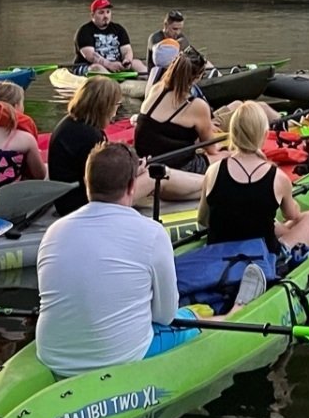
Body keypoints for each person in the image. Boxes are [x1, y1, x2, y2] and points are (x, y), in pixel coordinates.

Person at [35, 143, 194, 375]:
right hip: (121, 356)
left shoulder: (54, 231)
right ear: (132, 186)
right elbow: (166, 315)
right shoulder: (152, 233)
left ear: (87, 183)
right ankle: (231, 314)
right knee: (193, 316)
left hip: (52, 355)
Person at [201, 101, 309, 258]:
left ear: (232, 134)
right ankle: (281, 258)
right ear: (265, 135)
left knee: (273, 224)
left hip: (219, 250)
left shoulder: (213, 171)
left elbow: (204, 219)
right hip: (263, 254)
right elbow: (292, 215)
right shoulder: (278, 178)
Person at [131, 51, 216, 201]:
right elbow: (211, 148)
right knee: (225, 157)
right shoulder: (197, 106)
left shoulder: (156, 89)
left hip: (148, 158)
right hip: (174, 167)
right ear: (197, 77)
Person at [49, 76, 124, 216]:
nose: (116, 111)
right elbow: (104, 182)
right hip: (81, 204)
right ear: (105, 107)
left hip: (66, 198)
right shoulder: (90, 136)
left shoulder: (70, 124)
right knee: (152, 179)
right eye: (116, 105)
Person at [74, 0, 138, 74]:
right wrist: (109, 65)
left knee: (136, 63)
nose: (106, 16)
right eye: (101, 13)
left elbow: (127, 50)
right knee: (97, 68)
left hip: (116, 65)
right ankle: (110, 83)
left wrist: (127, 60)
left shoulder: (119, 29)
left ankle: (148, 81)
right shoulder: (84, 31)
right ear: (92, 15)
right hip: (89, 66)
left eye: (108, 12)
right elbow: (91, 56)